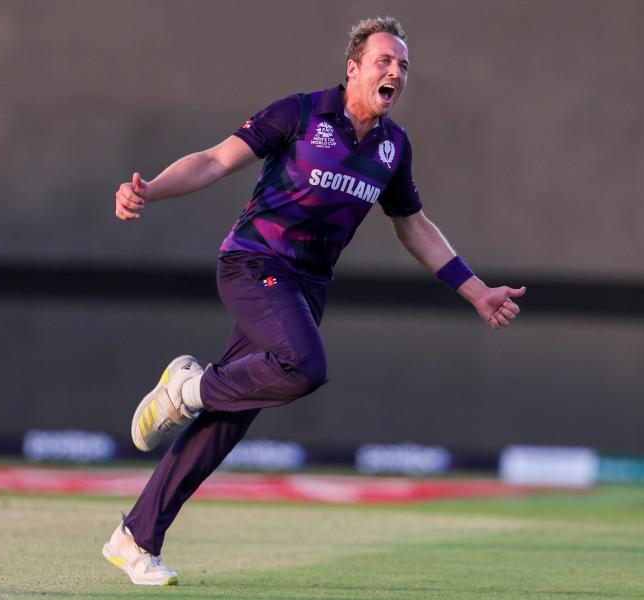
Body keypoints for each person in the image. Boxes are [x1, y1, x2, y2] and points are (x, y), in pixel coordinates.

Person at [103, 16, 525, 586]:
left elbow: (414, 227)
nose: (395, 72)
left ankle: (134, 538)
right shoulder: (299, 113)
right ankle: (185, 388)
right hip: (253, 263)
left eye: (403, 65)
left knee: (226, 421)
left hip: (306, 287)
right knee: (304, 366)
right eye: (384, 61)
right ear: (353, 68)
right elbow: (212, 160)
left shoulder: (392, 147)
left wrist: (476, 291)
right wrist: (148, 189)